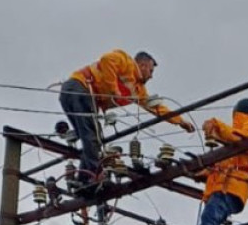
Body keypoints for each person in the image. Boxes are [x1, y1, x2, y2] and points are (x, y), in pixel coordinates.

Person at [59, 49, 195, 189]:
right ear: (142, 65)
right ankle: (91, 177)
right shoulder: (126, 62)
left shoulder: (138, 90)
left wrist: (180, 121)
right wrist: (114, 89)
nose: (151, 76)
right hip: (79, 87)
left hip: (79, 95)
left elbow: (156, 108)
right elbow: (107, 60)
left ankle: (84, 179)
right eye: (150, 71)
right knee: (91, 137)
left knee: (93, 137)